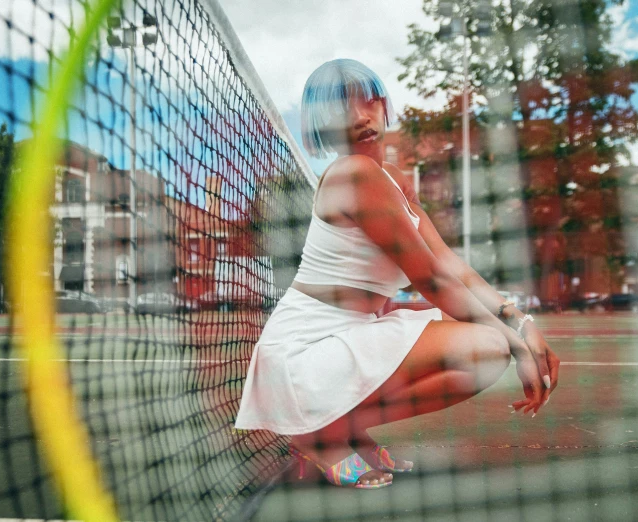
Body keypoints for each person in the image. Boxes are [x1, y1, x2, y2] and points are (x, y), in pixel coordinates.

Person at [234, 59, 560, 489]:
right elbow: (431, 280)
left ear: (382, 101)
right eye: (338, 110)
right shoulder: (355, 173)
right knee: (488, 348)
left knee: (483, 354)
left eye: (367, 100)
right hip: (304, 354)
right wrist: (519, 346)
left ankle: (342, 427)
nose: (358, 116)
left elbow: (450, 266)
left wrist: (521, 321)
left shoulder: (393, 180)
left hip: (348, 338)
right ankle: (317, 433)